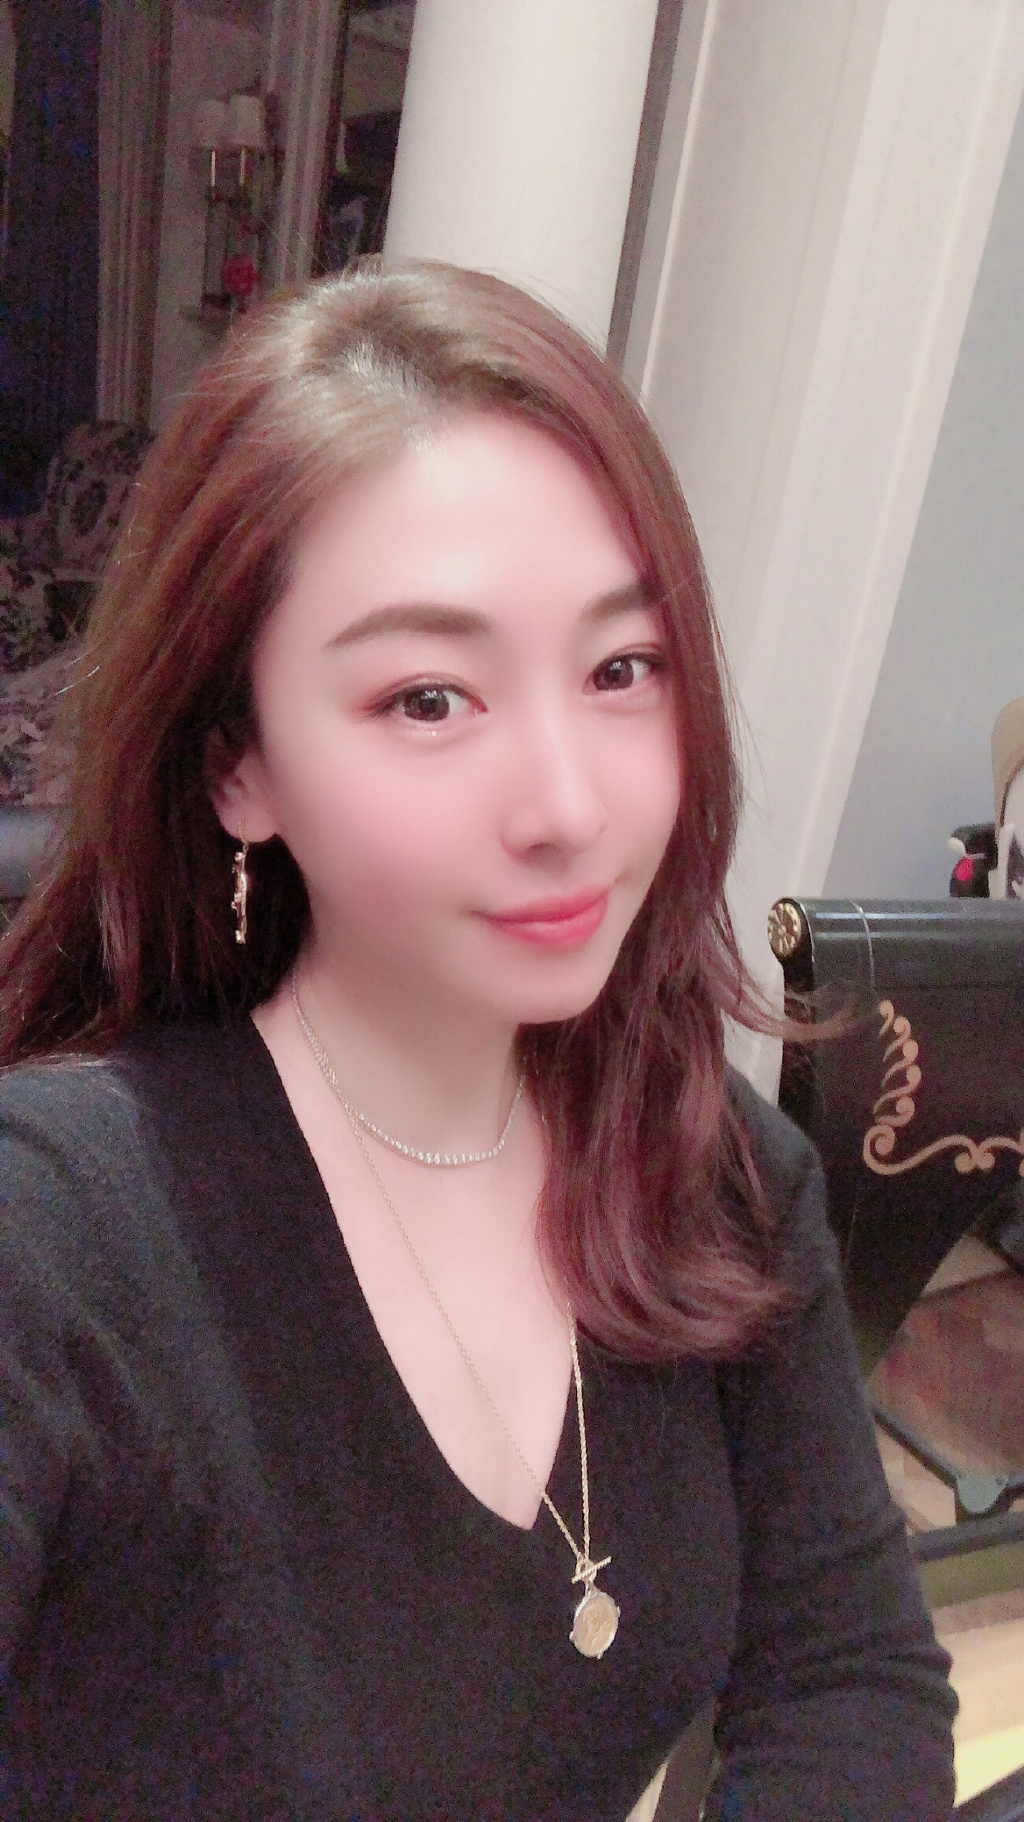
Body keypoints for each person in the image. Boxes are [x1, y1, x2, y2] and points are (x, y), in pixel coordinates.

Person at [0, 260, 956, 1821]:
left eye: (621, 670)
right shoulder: (54, 1233)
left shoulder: (710, 1169)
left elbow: (852, 1674)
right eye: (430, 698)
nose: (569, 806)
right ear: (241, 763)